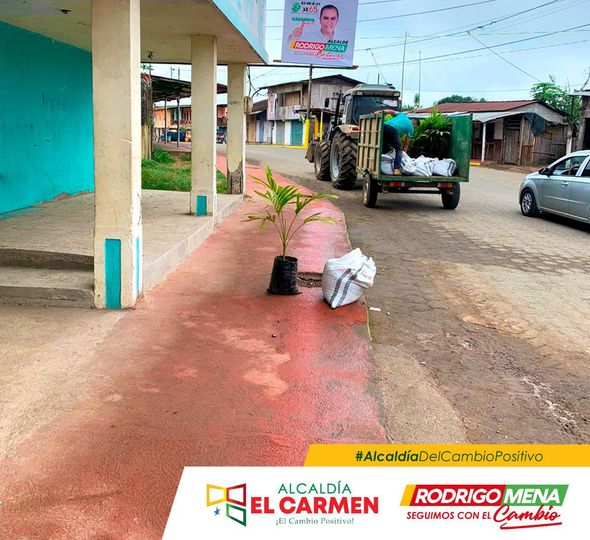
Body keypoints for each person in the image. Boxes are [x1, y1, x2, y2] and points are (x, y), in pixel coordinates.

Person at [382, 110, 415, 176]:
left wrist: (381, 111)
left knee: (384, 147)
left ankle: (380, 164)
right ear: (415, 125)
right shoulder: (411, 128)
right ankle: (396, 169)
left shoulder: (402, 115)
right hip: (392, 129)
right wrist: (404, 155)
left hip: (383, 126)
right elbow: (406, 144)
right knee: (399, 149)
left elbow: (391, 111)